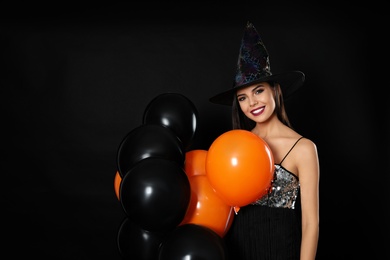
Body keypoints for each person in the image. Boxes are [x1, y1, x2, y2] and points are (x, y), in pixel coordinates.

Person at [209, 22, 320, 260]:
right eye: (242, 97)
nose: (252, 103)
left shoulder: (304, 148)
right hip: (238, 248)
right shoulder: (237, 145)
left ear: (275, 91)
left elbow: (311, 223)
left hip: (281, 248)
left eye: (258, 91)